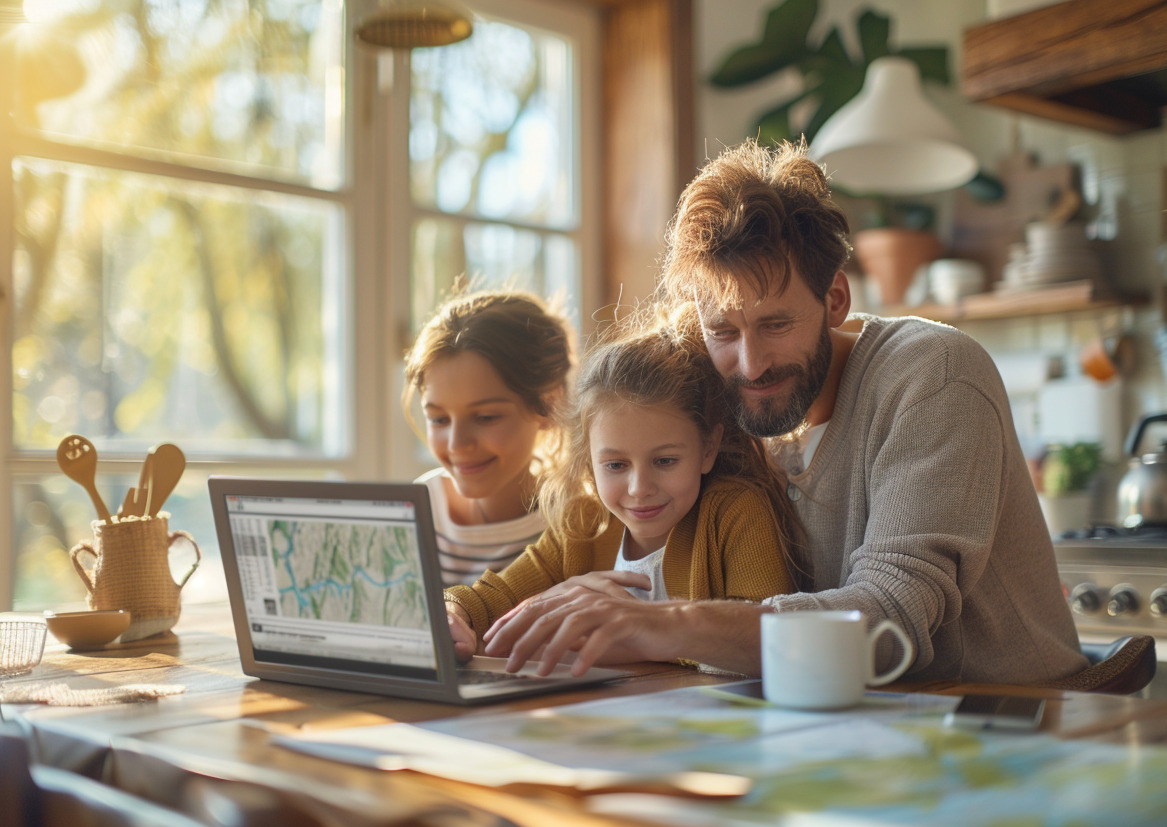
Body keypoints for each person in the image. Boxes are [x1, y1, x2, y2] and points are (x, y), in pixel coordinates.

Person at [484, 139, 1087, 685]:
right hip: (844, 715)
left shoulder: (932, 377)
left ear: (835, 299)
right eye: (723, 329)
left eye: (775, 323)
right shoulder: (718, 400)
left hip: (1010, 712)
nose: (750, 364)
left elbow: (891, 623)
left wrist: (666, 623)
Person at [445, 325, 807, 662]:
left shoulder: (735, 512)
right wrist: (453, 615)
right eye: (616, 466)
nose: (639, 489)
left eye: (665, 460)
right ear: (589, 460)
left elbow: (766, 637)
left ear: (708, 448)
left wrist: (635, 636)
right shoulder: (583, 524)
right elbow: (488, 600)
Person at [402, 287, 571, 588]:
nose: (456, 445)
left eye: (485, 417)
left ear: (549, 404)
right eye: (438, 419)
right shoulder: (413, 514)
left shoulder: (576, 524)